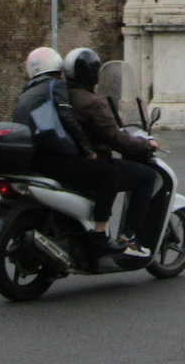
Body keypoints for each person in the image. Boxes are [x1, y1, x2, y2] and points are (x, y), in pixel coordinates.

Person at [13, 46, 137, 259]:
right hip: (53, 157)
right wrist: (88, 150)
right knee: (108, 173)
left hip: (33, 158)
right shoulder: (56, 86)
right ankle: (99, 236)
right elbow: (67, 117)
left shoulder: (29, 91)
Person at [63, 47, 161, 255]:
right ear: (92, 74)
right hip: (92, 162)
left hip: (70, 160)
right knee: (146, 176)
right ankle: (128, 236)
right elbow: (117, 140)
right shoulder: (91, 103)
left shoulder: (63, 96)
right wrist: (146, 145)